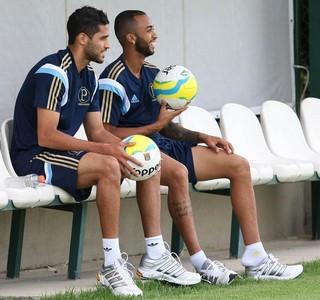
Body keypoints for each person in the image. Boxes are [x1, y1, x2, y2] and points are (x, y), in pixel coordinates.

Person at [99, 9, 304, 284]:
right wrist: (153, 128)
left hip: (165, 144)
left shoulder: (153, 74)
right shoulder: (112, 79)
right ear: (131, 37)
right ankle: (201, 262)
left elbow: (166, 125)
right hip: (139, 152)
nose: (155, 34)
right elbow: (106, 132)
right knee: (180, 173)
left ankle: (257, 258)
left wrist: (202, 137)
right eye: (149, 30)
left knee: (238, 165)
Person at [10, 6, 202, 298]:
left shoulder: (88, 76)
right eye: (102, 38)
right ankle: (112, 265)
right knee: (109, 166)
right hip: (34, 156)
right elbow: (46, 135)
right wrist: (105, 150)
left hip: (59, 151)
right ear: (83, 38)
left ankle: (155, 254)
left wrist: (122, 147)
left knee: (142, 154)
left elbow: (98, 131)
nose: (108, 44)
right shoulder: (54, 71)